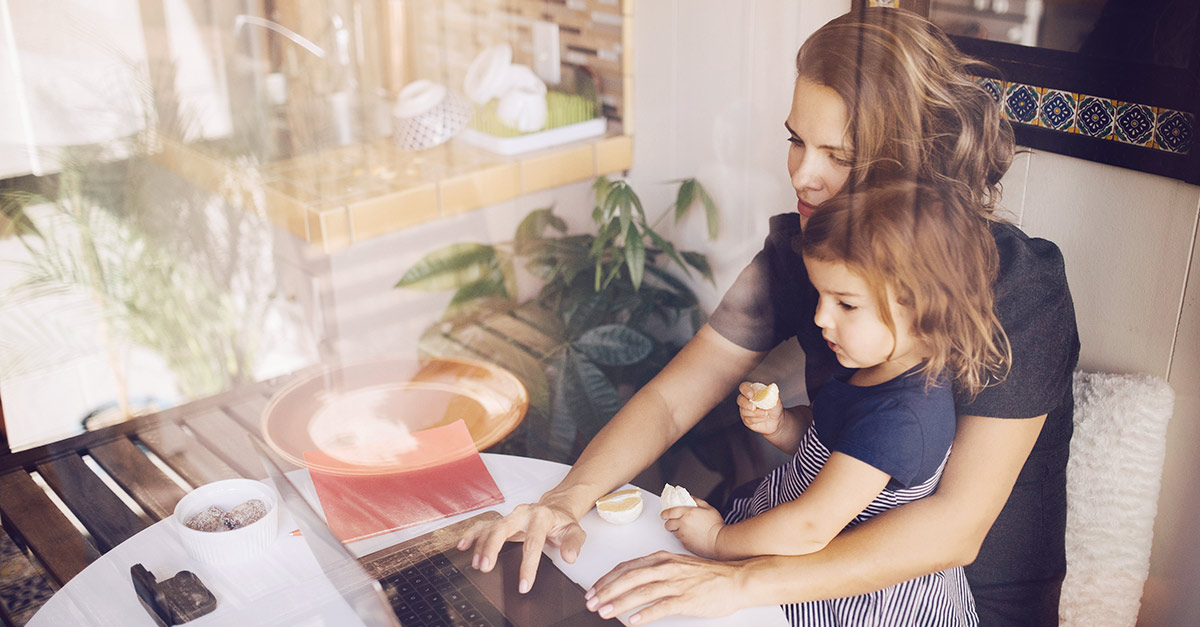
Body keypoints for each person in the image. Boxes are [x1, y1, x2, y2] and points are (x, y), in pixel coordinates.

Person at [457, 8, 1079, 626]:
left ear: (910, 164)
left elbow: (953, 531)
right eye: (796, 139)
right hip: (801, 568)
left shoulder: (1021, 288)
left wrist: (737, 581)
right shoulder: (803, 251)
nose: (803, 176)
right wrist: (567, 499)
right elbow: (677, 396)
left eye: (838, 154)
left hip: (956, 600)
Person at [663, 181, 1008, 625]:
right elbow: (825, 446)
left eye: (846, 304)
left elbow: (811, 527)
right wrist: (782, 424)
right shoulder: (867, 366)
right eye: (821, 295)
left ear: (922, 308)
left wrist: (716, 540)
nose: (821, 317)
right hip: (795, 550)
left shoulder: (901, 417)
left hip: (856, 604)